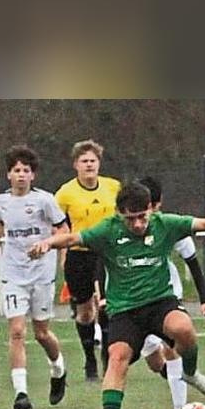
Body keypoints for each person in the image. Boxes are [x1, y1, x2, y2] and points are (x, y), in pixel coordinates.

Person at [28, 182, 205, 409]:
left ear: (151, 209)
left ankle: (190, 373)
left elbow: (200, 224)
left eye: (142, 217)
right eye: (130, 218)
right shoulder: (108, 230)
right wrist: (47, 243)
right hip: (125, 311)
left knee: (183, 328)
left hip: (160, 302)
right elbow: (72, 239)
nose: (137, 224)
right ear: (119, 214)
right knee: (117, 358)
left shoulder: (165, 223)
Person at [0, 146, 69, 409]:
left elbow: (64, 230)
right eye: (16, 170)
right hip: (12, 273)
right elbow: (1, 222)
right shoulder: (0, 201)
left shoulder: (45, 201)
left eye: (26, 170)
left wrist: (47, 244)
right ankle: (21, 393)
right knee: (17, 331)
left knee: (42, 333)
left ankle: (58, 369)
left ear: (33, 175)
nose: (21, 175)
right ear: (8, 174)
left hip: (42, 273)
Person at [136, 176, 205, 409]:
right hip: (134, 299)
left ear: (158, 204)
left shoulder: (170, 225)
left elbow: (192, 262)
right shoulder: (123, 227)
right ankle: (177, 375)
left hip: (167, 295)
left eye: (150, 207)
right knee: (154, 361)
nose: (145, 214)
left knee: (172, 346)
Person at [54, 140, 121, 380]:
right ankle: (89, 359)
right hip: (78, 254)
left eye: (93, 160)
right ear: (76, 165)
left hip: (106, 254)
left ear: (99, 163)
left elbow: (123, 218)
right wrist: (62, 253)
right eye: (84, 161)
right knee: (84, 312)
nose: (89, 165)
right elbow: (59, 228)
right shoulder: (65, 193)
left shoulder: (113, 187)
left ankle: (107, 360)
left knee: (106, 305)